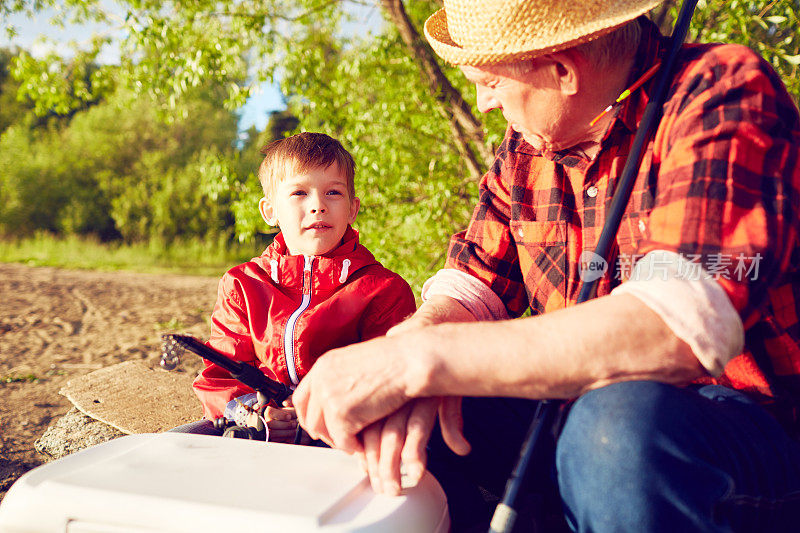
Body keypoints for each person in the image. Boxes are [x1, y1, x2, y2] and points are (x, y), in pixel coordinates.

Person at [292, 0, 800, 530]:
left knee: (616, 431)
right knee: (408, 417)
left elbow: (673, 329)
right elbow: (472, 285)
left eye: (489, 82)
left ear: (562, 69)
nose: (484, 103)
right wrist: (406, 354)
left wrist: (426, 357)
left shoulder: (721, 95)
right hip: (580, 417)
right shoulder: (527, 145)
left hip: (750, 431)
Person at [189, 132, 416, 442]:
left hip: (343, 436)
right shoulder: (243, 285)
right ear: (270, 211)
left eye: (333, 192)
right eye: (299, 193)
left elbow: (391, 376)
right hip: (259, 434)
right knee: (181, 442)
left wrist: (323, 414)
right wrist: (254, 413)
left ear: (352, 208)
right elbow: (220, 375)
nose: (318, 206)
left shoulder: (383, 289)